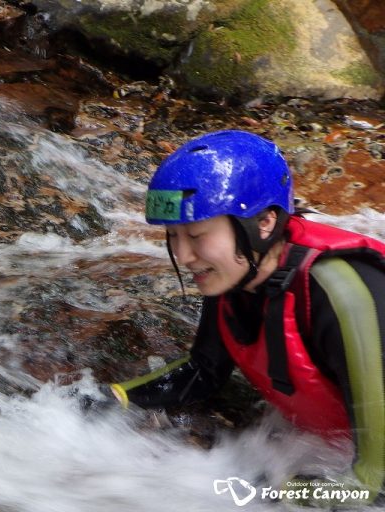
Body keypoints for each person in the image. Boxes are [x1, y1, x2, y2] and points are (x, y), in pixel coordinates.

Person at [109, 129, 385, 507]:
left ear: (265, 223)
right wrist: (115, 400)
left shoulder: (343, 295)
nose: (185, 255)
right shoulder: (235, 274)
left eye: (196, 234)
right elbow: (204, 372)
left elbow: (372, 485)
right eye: (173, 237)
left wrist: (268, 491)